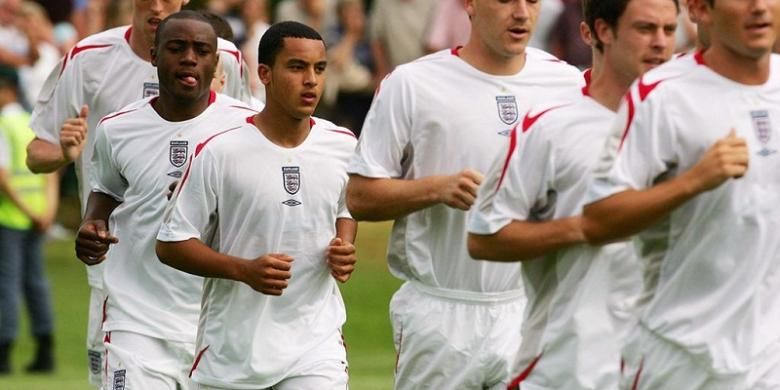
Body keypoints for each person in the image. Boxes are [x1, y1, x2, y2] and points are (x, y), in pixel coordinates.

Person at [345, 0, 583, 388]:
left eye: (532, 1)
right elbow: (359, 197)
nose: (522, 13)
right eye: (506, 0)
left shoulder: (567, 83)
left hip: (531, 307)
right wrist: (436, 188)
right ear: (469, 4)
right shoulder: (412, 83)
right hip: (440, 313)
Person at [24, 0, 252, 387]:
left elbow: (249, 144)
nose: (159, 5)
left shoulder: (226, 54)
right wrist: (64, 153)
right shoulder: (88, 58)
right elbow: (36, 152)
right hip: (120, 268)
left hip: (207, 276)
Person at [466, 0, 678, 388]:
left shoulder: (692, 124)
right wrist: (586, 227)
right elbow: (484, 237)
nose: (661, 43)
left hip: (669, 366)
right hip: (569, 367)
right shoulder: (549, 127)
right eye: (646, 29)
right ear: (601, 32)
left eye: (669, 30)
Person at [581, 0, 780, 387]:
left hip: (769, 357)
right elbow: (598, 219)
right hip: (677, 356)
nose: (759, 7)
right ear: (700, 9)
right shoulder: (661, 96)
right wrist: (693, 181)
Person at [156, 21, 358, 389]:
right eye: (297, 67)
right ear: (264, 73)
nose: (311, 80)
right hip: (233, 352)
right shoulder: (218, 151)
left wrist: (344, 244)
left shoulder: (343, 144)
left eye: (319, 69)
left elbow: (347, 207)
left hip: (315, 345)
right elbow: (171, 244)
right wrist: (244, 269)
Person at [0, 71, 58, 375]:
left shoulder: (2, 124)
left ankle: (4, 352)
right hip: (39, 217)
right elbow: (51, 170)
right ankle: (45, 348)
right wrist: (47, 212)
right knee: (36, 283)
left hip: (10, 217)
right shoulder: (31, 122)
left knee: (6, 284)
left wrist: (26, 211)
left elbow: (3, 176)